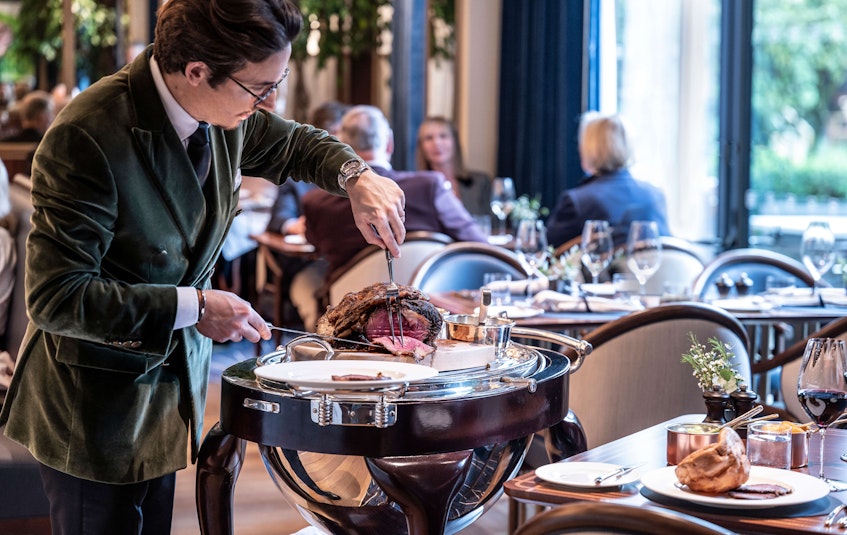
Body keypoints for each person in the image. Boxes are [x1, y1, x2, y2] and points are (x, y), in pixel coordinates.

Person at [0, 0, 406, 532]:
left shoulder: (223, 111)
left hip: (169, 396)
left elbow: (295, 144)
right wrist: (194, 307)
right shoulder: (89, 136)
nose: (269, 102)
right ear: (196, 72)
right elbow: (59, 298)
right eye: (260, 87)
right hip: (93, 409)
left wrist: (357, 176)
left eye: (276, 82)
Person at [292, 105, 487, 330]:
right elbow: (477, 243)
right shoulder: (429, 187)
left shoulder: (317, 202)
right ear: (389, 143)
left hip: (350, 322)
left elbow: (315, 248)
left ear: (343, 149)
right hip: (429, 318)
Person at [546, 111, 670, 248]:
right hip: (655, 269)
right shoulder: (656, 195)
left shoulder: (577, 201)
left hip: (602, 270)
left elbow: (549, 253)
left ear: (587, 149)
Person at [416, 116, 492, 216]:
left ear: (454, 141)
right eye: (429, 138)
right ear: (421, 146)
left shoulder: (480, 182)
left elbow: (491, 223)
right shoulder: (416, 187)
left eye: (443, 136)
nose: (436, 143)